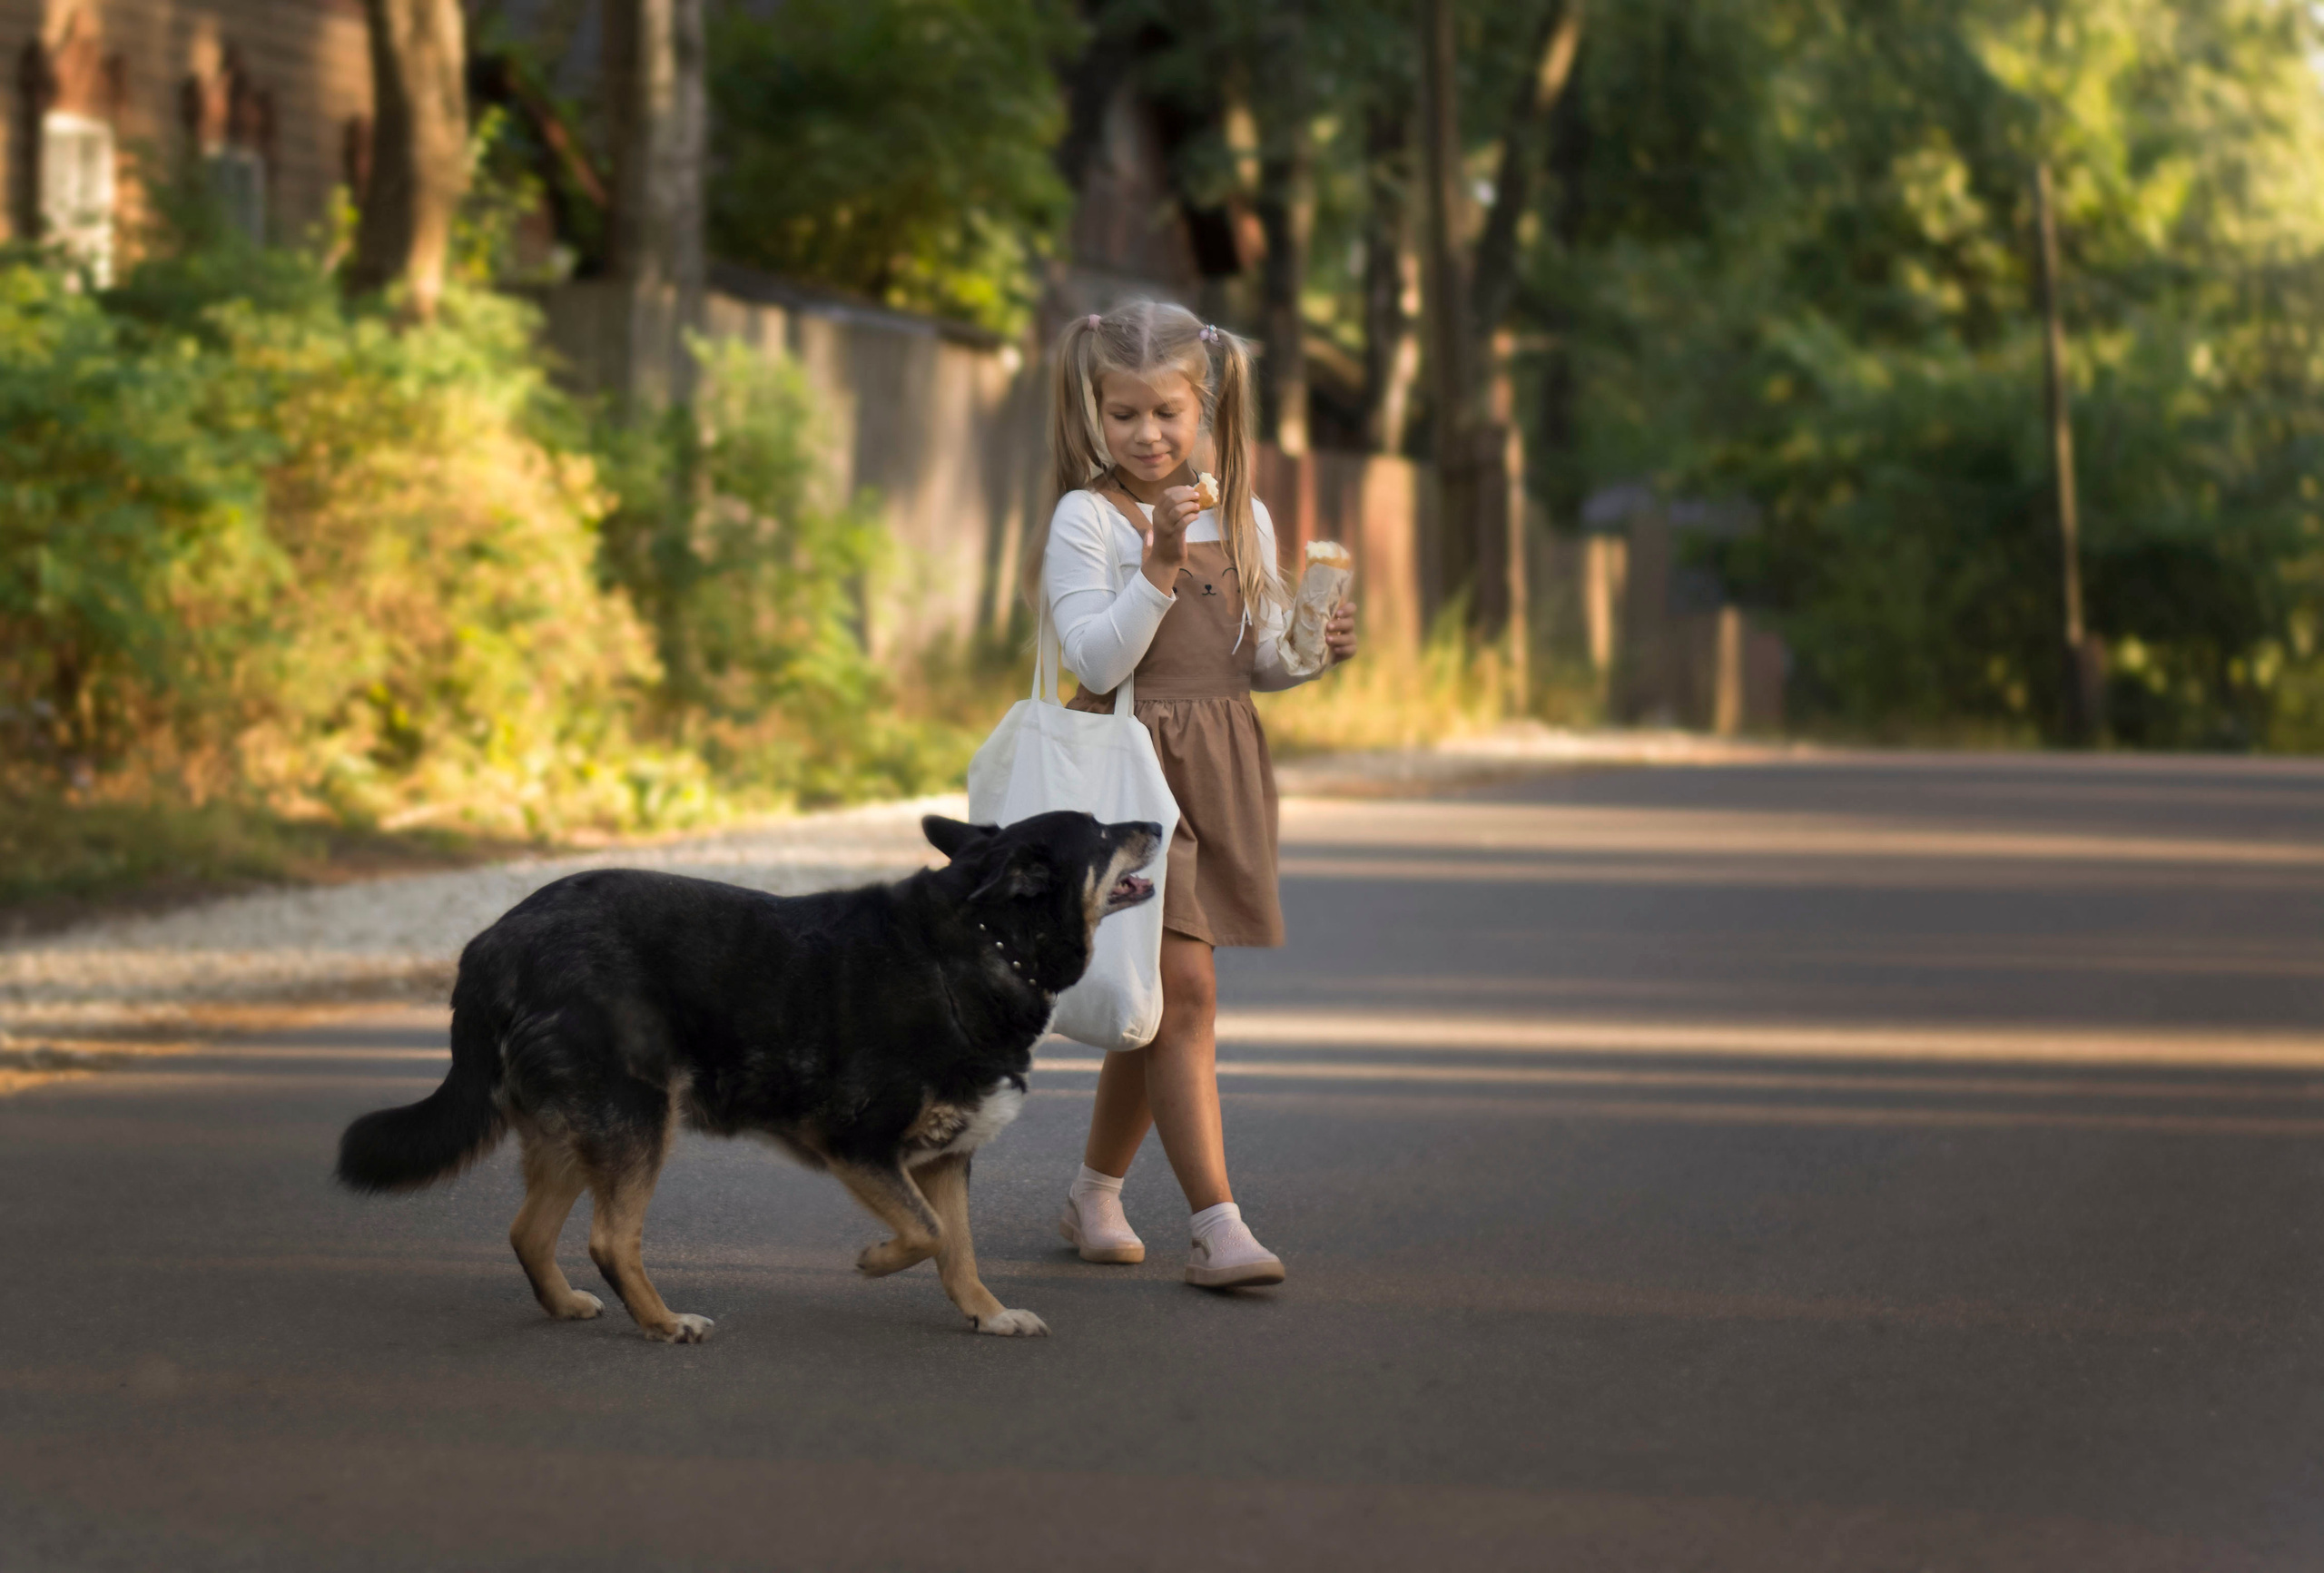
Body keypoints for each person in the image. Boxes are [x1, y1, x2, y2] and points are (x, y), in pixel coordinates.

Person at [1032, 300, 1358, 1289]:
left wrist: (1310, 650)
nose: (1147, 435)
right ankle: (1218, 1223)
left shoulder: (1244, 514)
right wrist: (1160, 563)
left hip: (1217, 773)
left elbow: (1250, 663)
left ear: (1203, 402)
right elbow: (1095, 653)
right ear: (1094, 410)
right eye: (1123, 413)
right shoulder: (1086, 518)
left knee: (1157, 998)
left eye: (1166, 412)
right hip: (1126, 780)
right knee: (1188, 993)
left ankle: (1093, 1191)